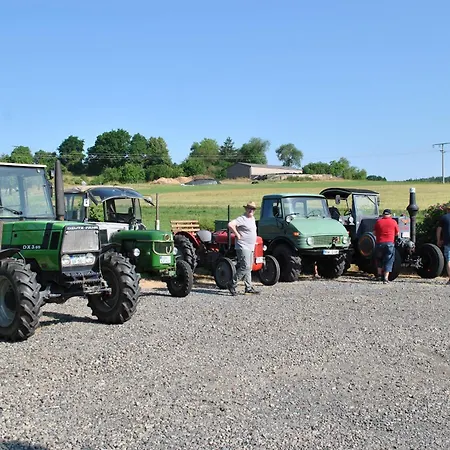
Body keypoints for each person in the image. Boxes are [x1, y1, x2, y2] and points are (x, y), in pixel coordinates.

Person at [226, 201, 259, 295]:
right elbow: (230, 224)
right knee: (245, 266)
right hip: (243, 245)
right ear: (246, 209)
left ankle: (248, 287)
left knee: (249, 267)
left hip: (251, 246)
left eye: (253, 209)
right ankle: (232, 283)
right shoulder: (242, 218)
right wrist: (237, 234)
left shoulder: (252, 218)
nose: (251, 210)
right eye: (249, 208)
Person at [374, 208, 399, 283]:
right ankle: (385, 278)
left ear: (383, 215)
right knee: (388, 260)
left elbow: (374, 233)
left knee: (379, 259)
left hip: (380, 243)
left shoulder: (378, 222)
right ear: (390, 215)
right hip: (389, 244)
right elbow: (397, 233)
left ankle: (379, 276)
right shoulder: (393, 222)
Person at [436, 203, 450, 284]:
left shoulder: (444, 218)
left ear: (448, 210)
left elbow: (439, 230)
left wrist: (438, 240)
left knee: (448, 259)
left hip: (447, 241)